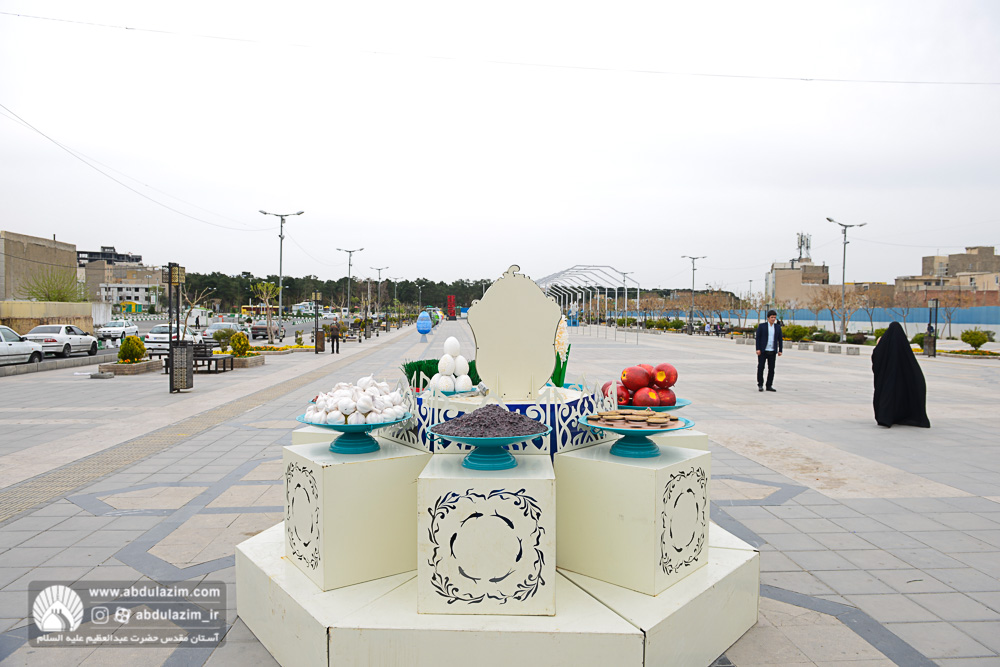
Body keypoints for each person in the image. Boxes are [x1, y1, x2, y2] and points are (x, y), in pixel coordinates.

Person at [872, 322, 930, 428]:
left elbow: (876, 357)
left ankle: (886, 417)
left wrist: (879, 345)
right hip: (903, 381)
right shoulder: (905, 351)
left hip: (888, 380)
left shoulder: (885, 346)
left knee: (888, 395)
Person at [755, 310, 783, 392]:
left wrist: (780, 350)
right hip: (763, 351)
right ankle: (760, 384)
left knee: (771, 369)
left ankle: (769, 385)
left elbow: (780, 339)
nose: (773, 319)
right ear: (768, 318)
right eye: (772, 317)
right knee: (761, 367)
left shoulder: (777, 327)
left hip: (772, 351)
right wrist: (758, 349)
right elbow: (758, 338)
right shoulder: (762, 326)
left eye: (774, 317)